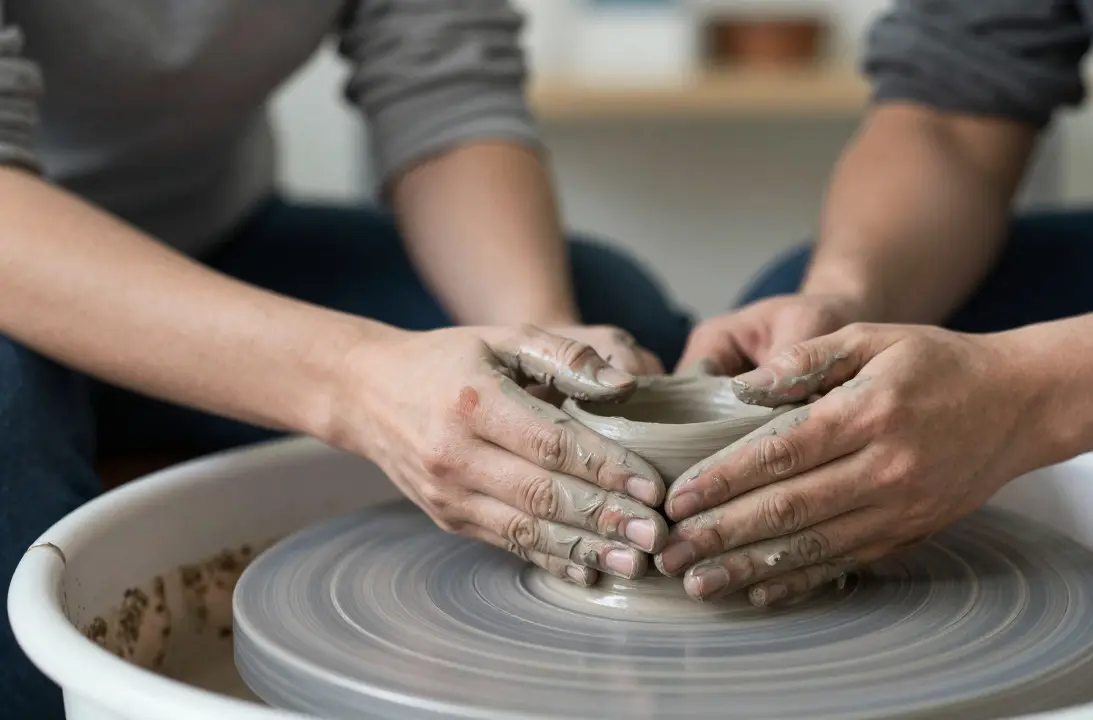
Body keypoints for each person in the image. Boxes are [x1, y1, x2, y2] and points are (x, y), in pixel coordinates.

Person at [0, 2, 692, 715]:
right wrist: (357, 383)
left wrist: (545, 342)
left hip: (213, 228)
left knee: (617, 315)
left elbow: (442, 81)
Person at [655, 0, 1093, 606]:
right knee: (807, 363)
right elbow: (953, 112)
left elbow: (1018, 391)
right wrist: (845, 295)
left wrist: (1024, 397)